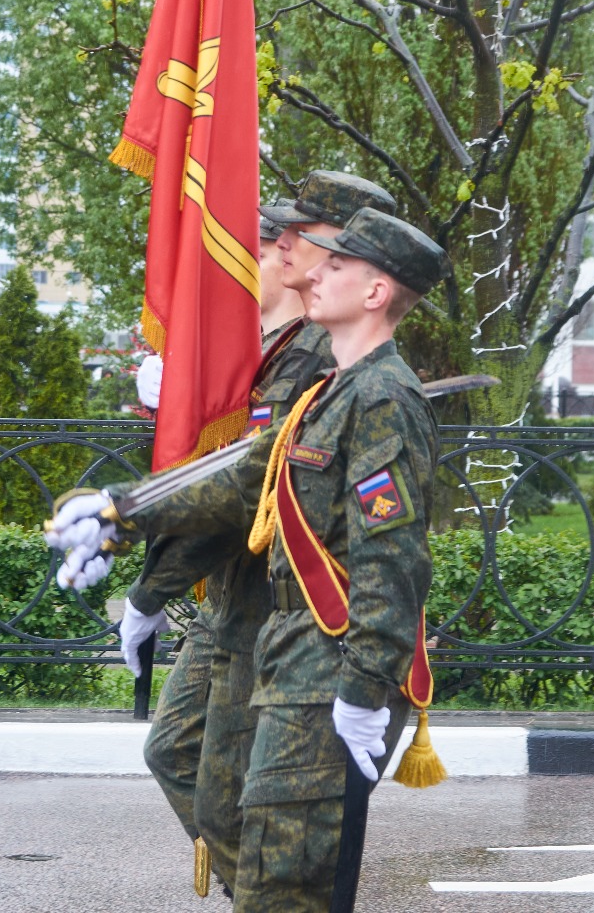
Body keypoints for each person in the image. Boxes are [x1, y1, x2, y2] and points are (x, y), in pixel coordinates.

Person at [51, 206, 449, 911]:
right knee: (271, 869)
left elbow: (392, 560)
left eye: (337, 265)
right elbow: (243, 477)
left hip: (328, 667)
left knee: (286, 882)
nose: (315, 272)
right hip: (289, 656)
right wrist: (118, 510)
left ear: (375, 293)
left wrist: (363, 691)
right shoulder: (331, 394)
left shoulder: (384, 397)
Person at [125, 175, 396, 895]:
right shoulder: (295, 351)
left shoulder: (335, 365)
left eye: (299, 238)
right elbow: (241, 474)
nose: (277, 248)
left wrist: (136, 542)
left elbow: (259, 490)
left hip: (295, 616)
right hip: (252, 601)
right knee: (207, 783)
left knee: (271, 822)